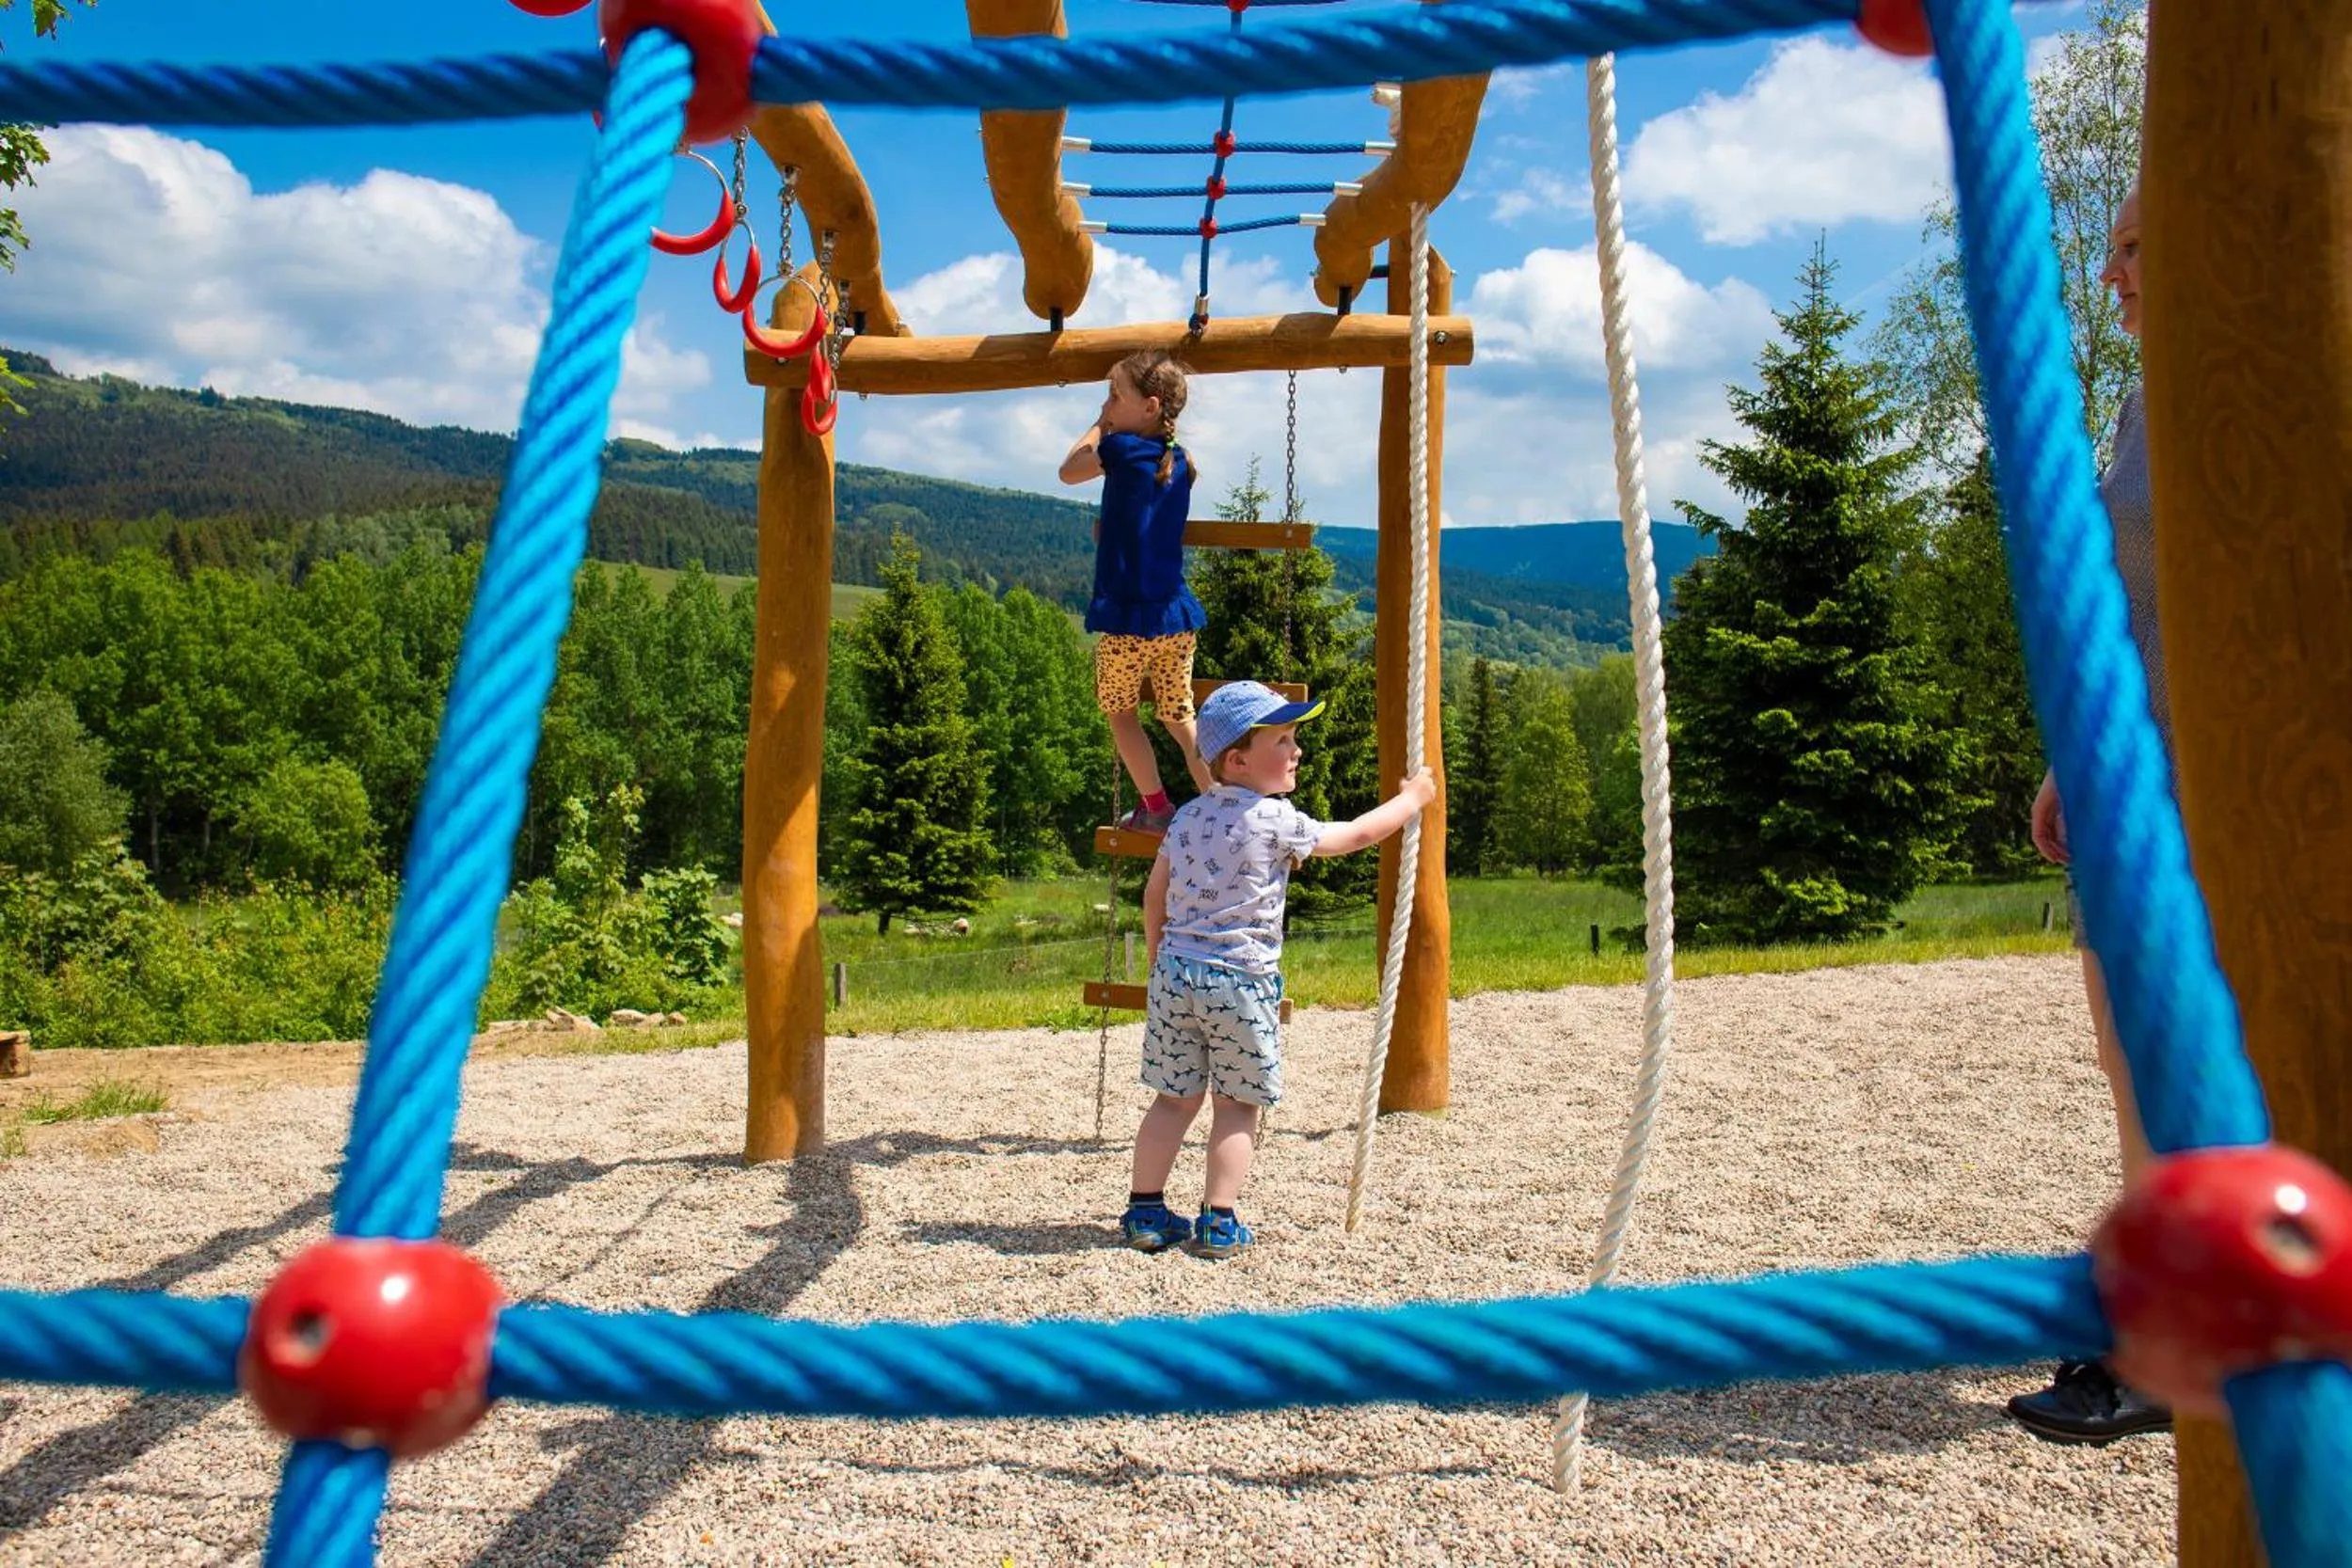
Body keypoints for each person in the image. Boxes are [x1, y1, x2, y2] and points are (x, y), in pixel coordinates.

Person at [2006, 182, 2174, 1446]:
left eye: (2138, 246)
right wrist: (2074, 757)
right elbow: (2126, 609)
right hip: (2142, 777)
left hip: (2258, 781)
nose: (2112, 273)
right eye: (2112, 248)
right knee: (2141, 1054)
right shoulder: (2138, 407)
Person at [1117, 680, 1438, 1259]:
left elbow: (1154, 897)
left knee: (1172, 1099)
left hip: (1174, 976)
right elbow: (1355, 835)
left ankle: (1145, 1211)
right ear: (1237, 760)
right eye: (1284, 740)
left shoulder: (1186, 817)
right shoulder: (1275, 819)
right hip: (1239, 981)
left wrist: (1161, 960)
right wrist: (1412, 799)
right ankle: (1218, 1220)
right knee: (1237, 1105)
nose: (1297, 751)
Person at [1058, 350, 1214, 832]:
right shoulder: (1184, 461)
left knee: (1121, 712)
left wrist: (1100, 424)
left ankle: (1155, 806)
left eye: (1114, 394)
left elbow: (1068, 471)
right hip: (1174, 617)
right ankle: (1221, 798)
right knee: (1178, 714)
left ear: (1149, 407)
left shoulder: (1120, 449)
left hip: (1127, 621)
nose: (1107, 403)